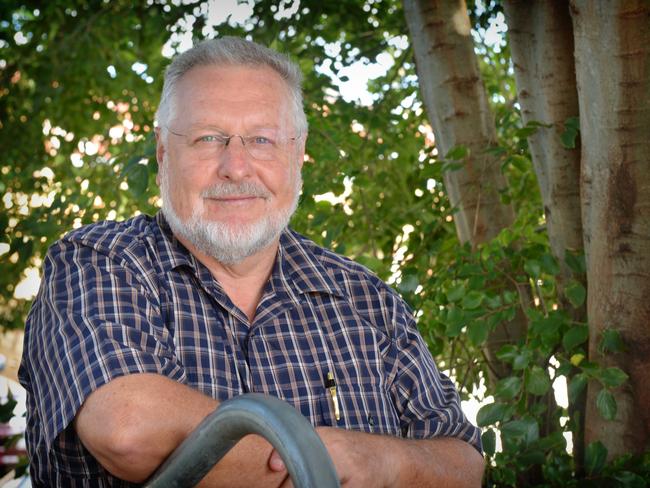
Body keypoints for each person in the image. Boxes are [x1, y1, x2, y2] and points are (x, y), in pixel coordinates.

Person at [19, 36, 484, 487]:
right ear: (163, 152)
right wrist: (313, 464)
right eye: (207, 138)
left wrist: (388, 462)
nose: (236, 167)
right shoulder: (97, 263)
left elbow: (464, 463)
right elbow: (127, 428)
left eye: (262, 140)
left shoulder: (367, 299)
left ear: (299, 154)